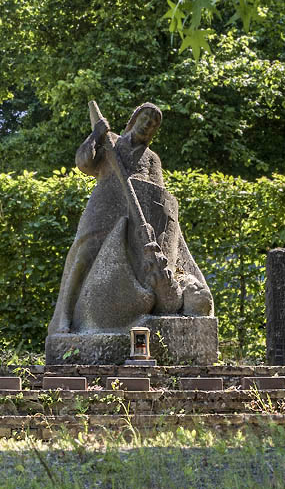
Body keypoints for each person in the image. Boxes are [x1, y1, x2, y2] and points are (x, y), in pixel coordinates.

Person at [48, 101, 213, 335]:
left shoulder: (152, 159)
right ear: (135, 118)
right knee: (83, 255)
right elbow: (83, 163)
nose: (148, 124)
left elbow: (158, 195)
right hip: (104, 205)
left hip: (135, 215)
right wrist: (96, 134)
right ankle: (64, 317)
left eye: (154, 123)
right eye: (145, 117)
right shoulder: (110, 142)